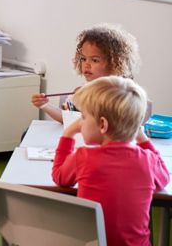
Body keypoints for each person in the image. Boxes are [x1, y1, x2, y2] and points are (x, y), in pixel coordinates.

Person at [52, 76, 168, 246]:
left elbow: (59, 176)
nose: (80, 123)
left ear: (102, 125)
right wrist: (141, 137)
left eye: (83, 117)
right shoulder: (148, 161)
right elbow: (163, 178)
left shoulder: (84, 157)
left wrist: (68, 133)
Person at [31, 23, 141, 122]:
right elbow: (66, 119)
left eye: (95, 60)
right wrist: (44, 105)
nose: (86, 65)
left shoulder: (122, 94)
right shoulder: (85, 89)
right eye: (83, 59)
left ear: (115, 63)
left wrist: (85, 101)